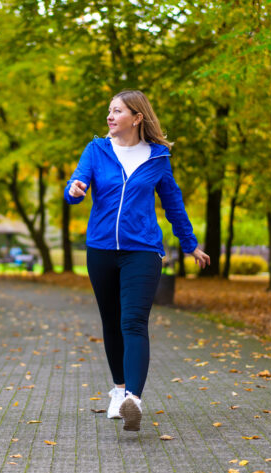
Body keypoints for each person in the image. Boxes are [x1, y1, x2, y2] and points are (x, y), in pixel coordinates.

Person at [65, 90, 210, 432]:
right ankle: (117, 390)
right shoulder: (96, 150)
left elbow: (173, 203)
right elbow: (77, 181)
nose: (110, 117)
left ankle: (134, 399)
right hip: (100, 249)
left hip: (143, 251)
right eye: (109, 111)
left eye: (117, 111)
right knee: (112, 322)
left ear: (137, 117)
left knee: (133, 321)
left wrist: (190, 245)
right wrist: (75, 189)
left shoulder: (157, 158)